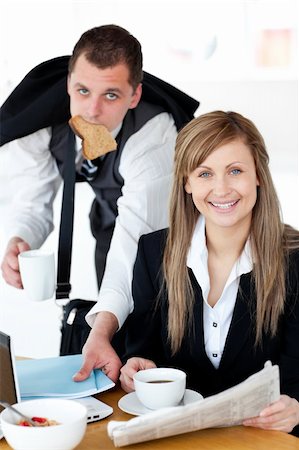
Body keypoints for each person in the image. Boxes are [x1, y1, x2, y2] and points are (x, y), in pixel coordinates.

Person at [0, 25, 199, 382]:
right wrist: (20, 238)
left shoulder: (153, 135)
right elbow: (32, 201)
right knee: (114, 333)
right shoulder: (40, 126)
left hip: (172, 236)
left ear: (134, 95)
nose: (92, 110)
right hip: (107, 223)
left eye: (111, 95)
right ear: (68, 84)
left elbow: (135, 239)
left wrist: (101, 329)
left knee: (158, 333)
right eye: (83, 90)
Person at [120, 111, 299, 436]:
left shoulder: (295, 260)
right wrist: (136, 366)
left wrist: (297, 406)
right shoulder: (153, 252)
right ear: (187, 182)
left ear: (258, 174)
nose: (222, 188)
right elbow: (142, 348)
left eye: (235, 171)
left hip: (268, 440)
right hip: (181, 438)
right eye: (204, 173)